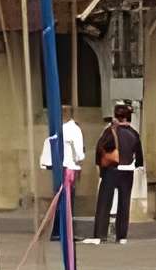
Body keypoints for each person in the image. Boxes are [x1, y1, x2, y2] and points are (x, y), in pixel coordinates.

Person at [85, 103, 143, 246]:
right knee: (124, 204)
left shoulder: (110, 131)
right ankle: (121, 236)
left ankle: (100, 235)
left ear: (117, 117)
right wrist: (134, 165)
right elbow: (139, 158)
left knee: (105, 202)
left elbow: (100, 149)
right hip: (128, 171)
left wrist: (101, 169)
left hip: (112, 170)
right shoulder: (134, 134)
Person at [43, 106, 85, 226]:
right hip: (68, 167)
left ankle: (61, 226)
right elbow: (79, 154)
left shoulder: (65, 129)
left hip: (63, 167)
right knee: (65, 198)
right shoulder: (72, 129)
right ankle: (64, 226)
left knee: (62, 197)